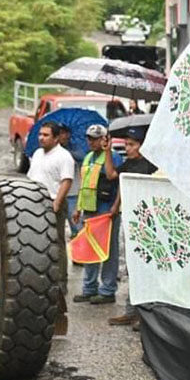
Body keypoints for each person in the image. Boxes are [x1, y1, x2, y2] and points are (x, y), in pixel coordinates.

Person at [108, 124, 158, 328]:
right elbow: (113, 176)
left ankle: (144, 314)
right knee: (131, 265)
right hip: (128, 218)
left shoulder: (150, 165)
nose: (127, 148)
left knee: (145, 267)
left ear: (141, 145)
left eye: (131, 145)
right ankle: (131, 310)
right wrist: (107, 151)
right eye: (126, 144)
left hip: (145, 221)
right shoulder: (127, 165)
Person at [72, 124, 124, 304]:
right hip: (89, 208)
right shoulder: (87, 158)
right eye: (89, 138)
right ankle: (89, 288)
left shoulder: (113, 157)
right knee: (90, 249)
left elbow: (119, 182)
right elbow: (84, 183)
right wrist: (78, 208)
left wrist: (116, 206)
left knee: (108, 250)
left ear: (104, 139)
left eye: (95, 138)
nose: (91, 141)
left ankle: (107, 290)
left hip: (106, 209)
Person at [27, 123, 75, 293]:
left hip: (53, 201)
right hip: (34, 202)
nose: (41, 138)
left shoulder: (64, 156)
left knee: (57, 242)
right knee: (36, 241)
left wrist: (56, 203)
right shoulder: (37, 154)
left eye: (46, 135)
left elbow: (67, 181)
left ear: (56, 138)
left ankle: (61, 280)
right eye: (40, 134)